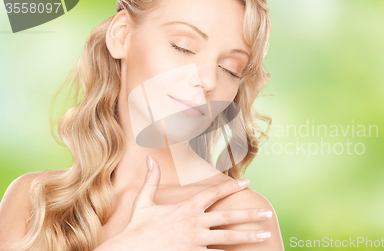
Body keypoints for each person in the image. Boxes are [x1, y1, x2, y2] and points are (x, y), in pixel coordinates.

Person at [0, 0, 284, 250]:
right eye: (183, 47)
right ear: (121, 34)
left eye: (230, 69)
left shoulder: (235, 217)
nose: (208, 80)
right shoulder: (33, 199)